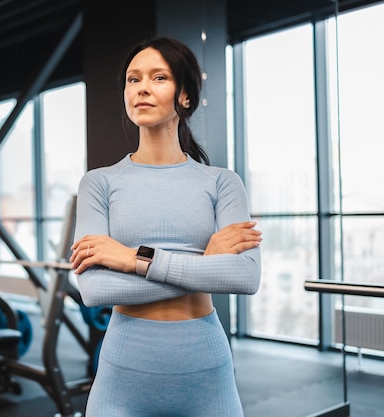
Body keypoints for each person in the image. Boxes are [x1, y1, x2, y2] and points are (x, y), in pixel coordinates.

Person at [69, 36, 262, 417]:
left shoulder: (222, 182)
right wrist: (204, 262)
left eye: (158, 77)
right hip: (121, 379)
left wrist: (131, 258)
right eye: (132, 79)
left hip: (208, 378)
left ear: (185, 96)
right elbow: (95, 288)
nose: (141, 87)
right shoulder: (99, 182)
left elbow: (244, 277)